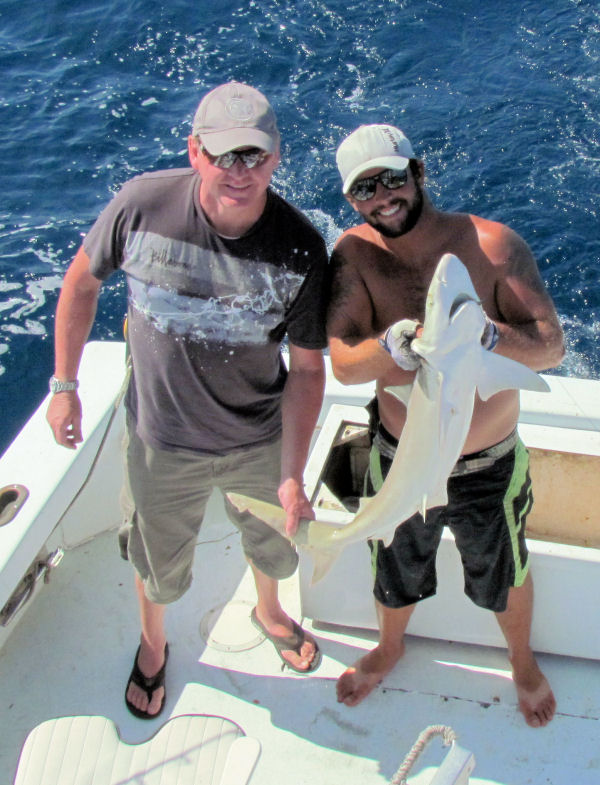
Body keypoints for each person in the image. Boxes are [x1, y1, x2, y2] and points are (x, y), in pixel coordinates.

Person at [46, 81, 327, 719]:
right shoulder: (141, 204)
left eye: (254, 155)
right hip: (158, 443)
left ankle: (269, 610)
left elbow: (308, 373)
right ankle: (153, 643)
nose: (240, 172)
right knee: (155, 559)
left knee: (273, 545)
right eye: (224, 155)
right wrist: (64, 388)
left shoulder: (302, 249)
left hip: (256, 440)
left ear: (277, 156)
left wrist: (289, 472)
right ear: (195, 151)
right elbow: (80, 284)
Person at [326, 123, 565, 727]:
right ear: (351, 200)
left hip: (487, 464)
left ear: (419, 172)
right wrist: (392, 346)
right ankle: (389, 645)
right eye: (364, 189)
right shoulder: (354, 257)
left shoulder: (492, 246)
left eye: (392, 178)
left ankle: (521, 659)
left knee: (505, 565)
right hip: (401, 455)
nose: (383, 195)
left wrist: (486, 335)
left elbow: (550, 347)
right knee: (394, 561)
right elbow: (346, 364)